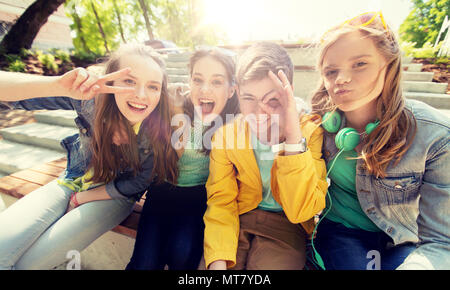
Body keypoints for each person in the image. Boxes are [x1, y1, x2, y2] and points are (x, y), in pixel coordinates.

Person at [0, 44, 179, 270]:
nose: (141, 95)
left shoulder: (161, 124)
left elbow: (138, 182)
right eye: (129, 81)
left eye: (153, 86)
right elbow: (15, 99)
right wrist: (57, 85)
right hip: (71, 182)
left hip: (114, 195)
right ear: (110, 81)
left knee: (28, 265)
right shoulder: (90, 101)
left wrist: (81, 199)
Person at [311, 11, 450, 270]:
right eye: (331, 71)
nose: (341, 79)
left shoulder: (436, 134)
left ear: (389, 65)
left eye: (360, 64)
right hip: (342, 232)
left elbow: (442, 241)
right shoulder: (320, 125)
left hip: (403, 239)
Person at [204, 42, 328, 270]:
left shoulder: (310, 133)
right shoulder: (225, 136)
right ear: (238, 93)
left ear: (289, 93)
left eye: (272, 99)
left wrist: (292, 137)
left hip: (287, 225)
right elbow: (221, 201)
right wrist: (217, 259)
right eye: (249, 98)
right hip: (237, 219)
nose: (260, 112)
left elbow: (301, 210)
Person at [126, 48, 240, 270]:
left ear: (231, 90)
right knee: (145, 263)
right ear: (189, 81)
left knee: (183, 253)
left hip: (200, 195)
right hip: (163, 188)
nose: (204, 89)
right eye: (197, 80)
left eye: (216, 82)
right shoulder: (174, 106)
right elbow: (170, 159)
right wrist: (177, 112)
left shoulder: (234, 123)